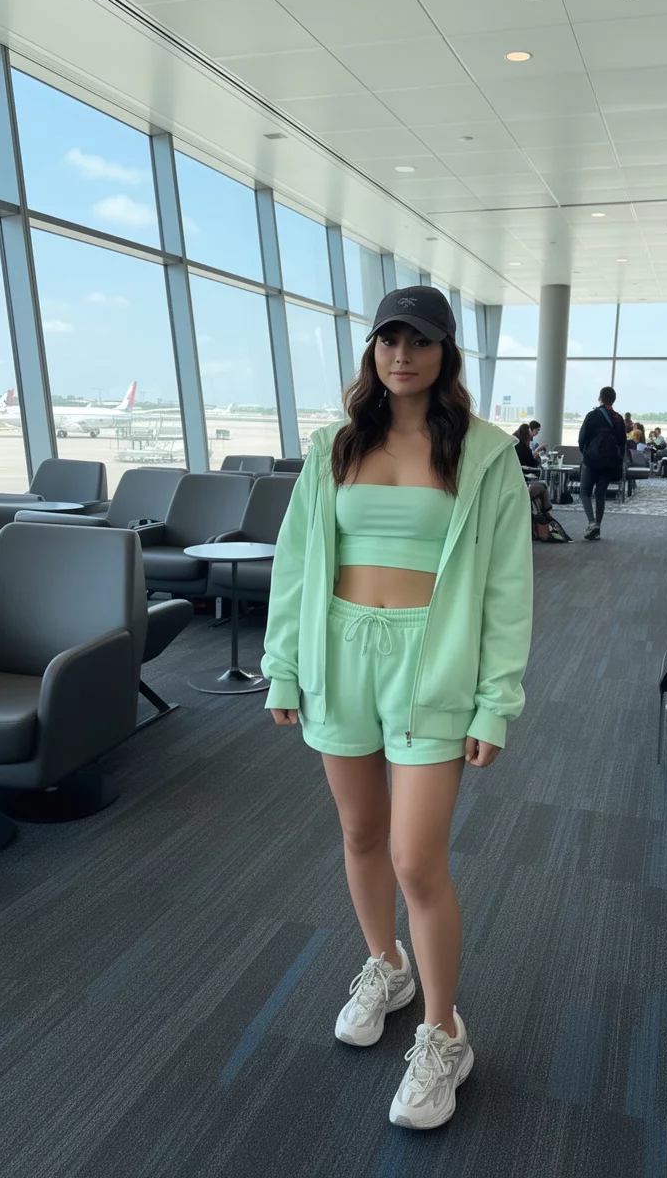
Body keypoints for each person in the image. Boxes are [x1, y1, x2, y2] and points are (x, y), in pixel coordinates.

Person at [261, 286, 533, 1131]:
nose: (402, 354)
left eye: (420, 340)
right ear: (372, 350)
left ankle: (443, 1033)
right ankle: (386, 964)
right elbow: (298, 562)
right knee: (360, 834)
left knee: (418, 861)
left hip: (431, 664)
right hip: (339, 656)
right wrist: (283, 667)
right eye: (389, 339)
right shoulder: (335, 446)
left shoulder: (484, 454)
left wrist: (497, 703)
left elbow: (505, 587)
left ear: (447, 353)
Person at [578, 386, 627, 540]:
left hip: (591, 461)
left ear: (599, 397)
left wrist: (586, 453)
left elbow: (582, 438)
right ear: (614, 399)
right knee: (601, 495)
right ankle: (597, 528)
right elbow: (623, 442)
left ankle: (591, 522)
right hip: (609, 462)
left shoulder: (592, 415)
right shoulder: (618, 419)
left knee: (584, 492)